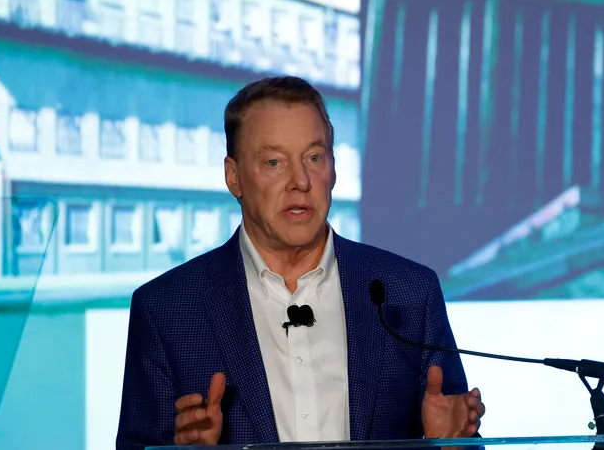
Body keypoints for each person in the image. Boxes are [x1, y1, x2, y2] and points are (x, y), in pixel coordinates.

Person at [116, 76, 485, 449]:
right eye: (274, 162)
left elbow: (460, 435)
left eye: (314, 157)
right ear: (234, 177)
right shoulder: (167, 308)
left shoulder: (408, 293)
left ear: (333, 169)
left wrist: (451, 445)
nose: (300, 181)